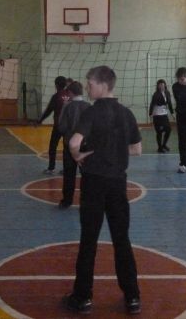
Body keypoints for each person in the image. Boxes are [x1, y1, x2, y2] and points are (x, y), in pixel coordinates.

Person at [64, 66, 142, 315]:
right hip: (118, 184)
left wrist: (79, 155)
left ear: (103, 85)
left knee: (89, 240)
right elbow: (137, 149)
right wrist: (114, 149)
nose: (88, 88)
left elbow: (74, 143)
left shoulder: (92, 112)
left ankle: (82, 297)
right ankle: (132, 297)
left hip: (94, 184)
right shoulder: (126, 113)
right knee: (121, 240)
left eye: (90, 84)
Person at [57, 81, 90, 209]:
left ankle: (67, 201)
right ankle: (86, 201)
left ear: (70, 92)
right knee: (86, 174)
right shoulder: (88, 106)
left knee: (69, 174)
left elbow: (61, 127)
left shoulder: (68, 107)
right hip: (85, 145)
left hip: (69, 145)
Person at [37, 75, 70, 174]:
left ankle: (51, 168)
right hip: (68, 127)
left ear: (56, 85)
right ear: (65, 85)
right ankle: (67, 169)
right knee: (67, 148)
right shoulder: (70, 95)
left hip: (58, 126)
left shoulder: (56, 97)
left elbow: (48, 110)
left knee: (53, 147)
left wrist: (39, 121)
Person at [149, 79, 174, 153]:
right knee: (159, 132)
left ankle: (164, 145)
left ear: (165, 85)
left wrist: (172, 113)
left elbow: (169, 103)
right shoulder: (156, 94)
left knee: (168, 130)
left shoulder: (167, 92)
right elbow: (152, 104)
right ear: (157, 86)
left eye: (162, 84)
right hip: (157, 115)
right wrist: (150, 114)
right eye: (159, 85)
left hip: (164, 114)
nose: (161, 86)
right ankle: (159, 148)